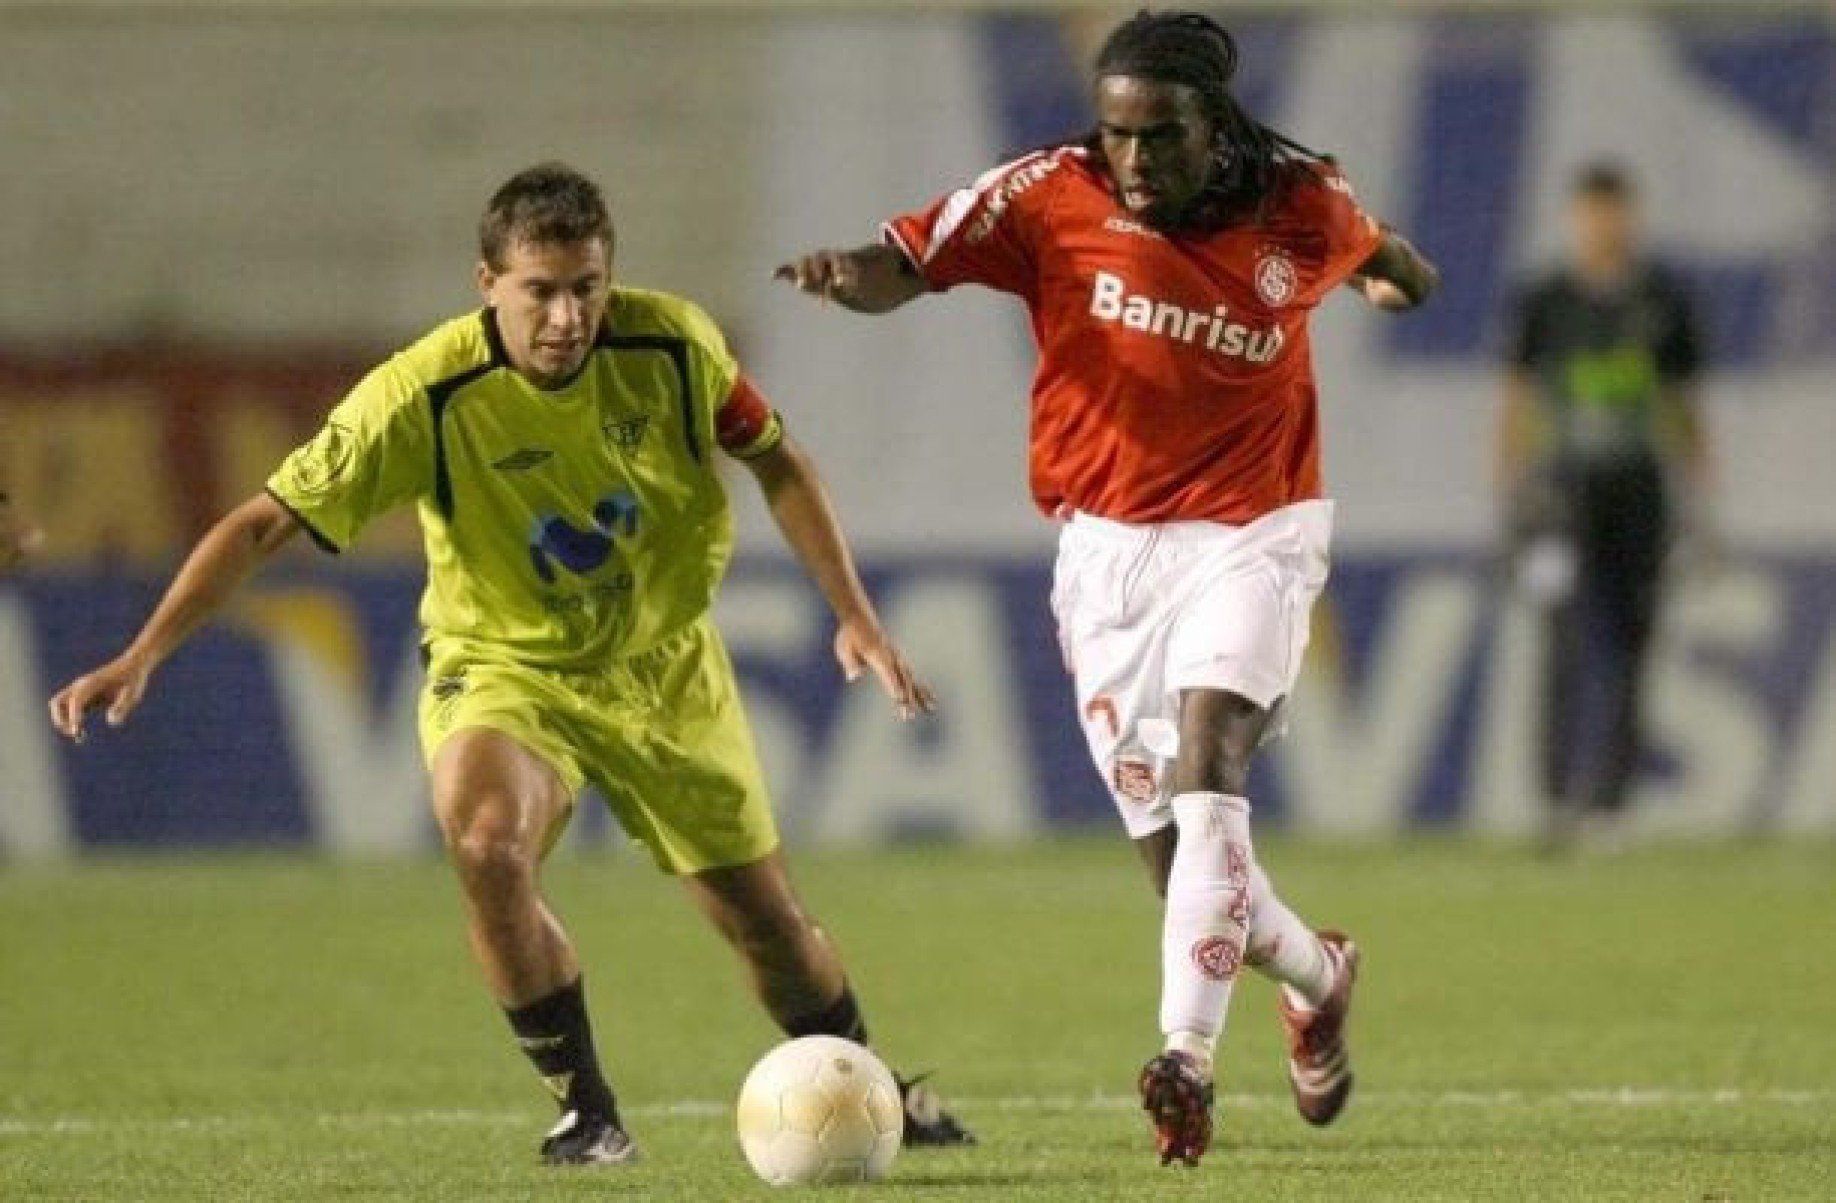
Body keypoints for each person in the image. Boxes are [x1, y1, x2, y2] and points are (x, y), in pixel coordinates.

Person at [48, 162, 973, 1165]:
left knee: (768, 923)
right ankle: (586, 1110)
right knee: (486, 843)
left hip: (663, 666)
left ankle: (869, 1087)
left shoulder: (673, 345)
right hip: (505, 668)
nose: (569, 316)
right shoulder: (424, 393)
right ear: (487, 283)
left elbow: (778, 460)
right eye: (541, 290)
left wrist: (854, 615)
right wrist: (144, 651)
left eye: (587, 287)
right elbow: (266, 522)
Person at [777, 10, 1437, 1168]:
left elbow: (1390, 258)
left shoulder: (1301, 205)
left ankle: (1182, 1058)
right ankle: (1321, 976)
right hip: (1105, 554)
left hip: (1256, 529)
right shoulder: (1049, 193)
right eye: (1118, 132)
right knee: (1180, 867)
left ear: (1213, 124)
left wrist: (1389, 283)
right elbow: (911, 263)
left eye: (1159, 136)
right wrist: (847, 276)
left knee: (1212, 762)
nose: (1133, 158)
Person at [1498, 161, 1710, 848]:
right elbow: (1517, 403)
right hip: (1562, 495)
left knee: (1632, 642)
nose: (1603, 225)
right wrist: (1513, 495)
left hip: (1640, 492)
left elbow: (1682, 408)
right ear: (1575, 217)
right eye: (1592, 212)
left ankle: (1611, 804)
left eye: (1614, 211)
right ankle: (1558, 797)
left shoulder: (1664, 300)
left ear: (1631, 216)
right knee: (1563, 640)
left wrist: (1700, 502)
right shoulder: (1545, 301)